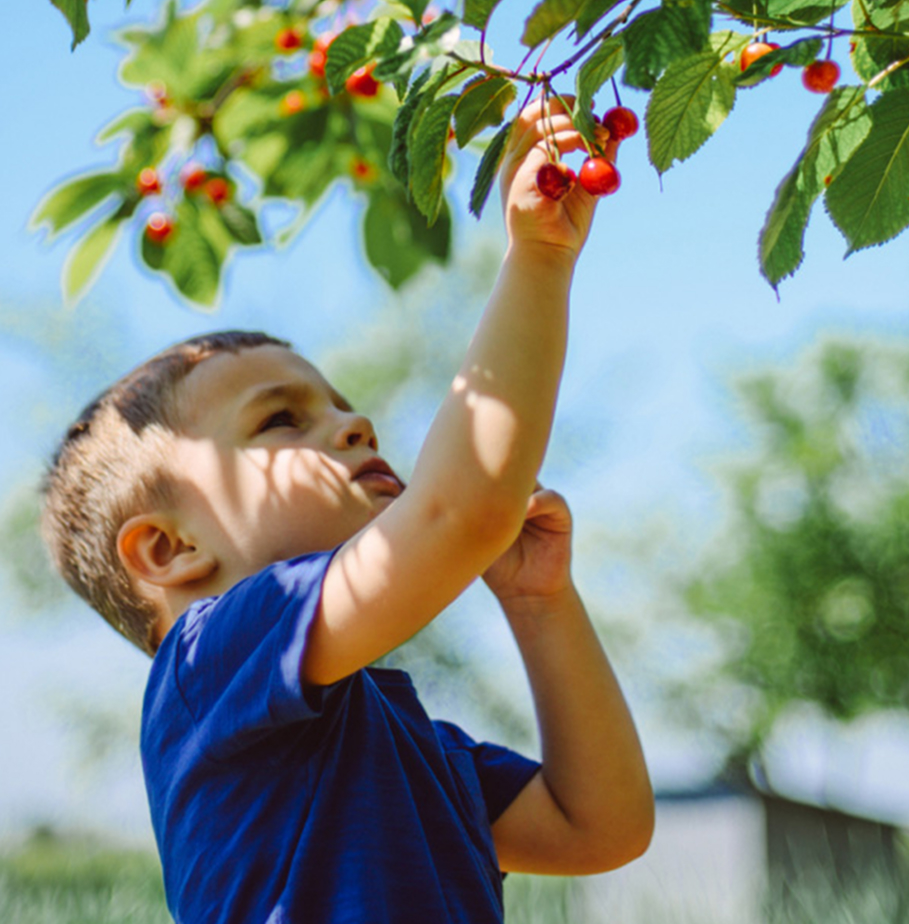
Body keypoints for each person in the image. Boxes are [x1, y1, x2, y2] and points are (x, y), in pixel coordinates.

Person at [40, 96, 655, 923]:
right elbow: (456, 513)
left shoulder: (405, 740)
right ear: (167, 551)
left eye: (340, 406)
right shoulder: (206, 660)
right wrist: (538, 259)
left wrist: (540, 599)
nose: (353, 423)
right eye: (282, 419)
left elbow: (598, 829)